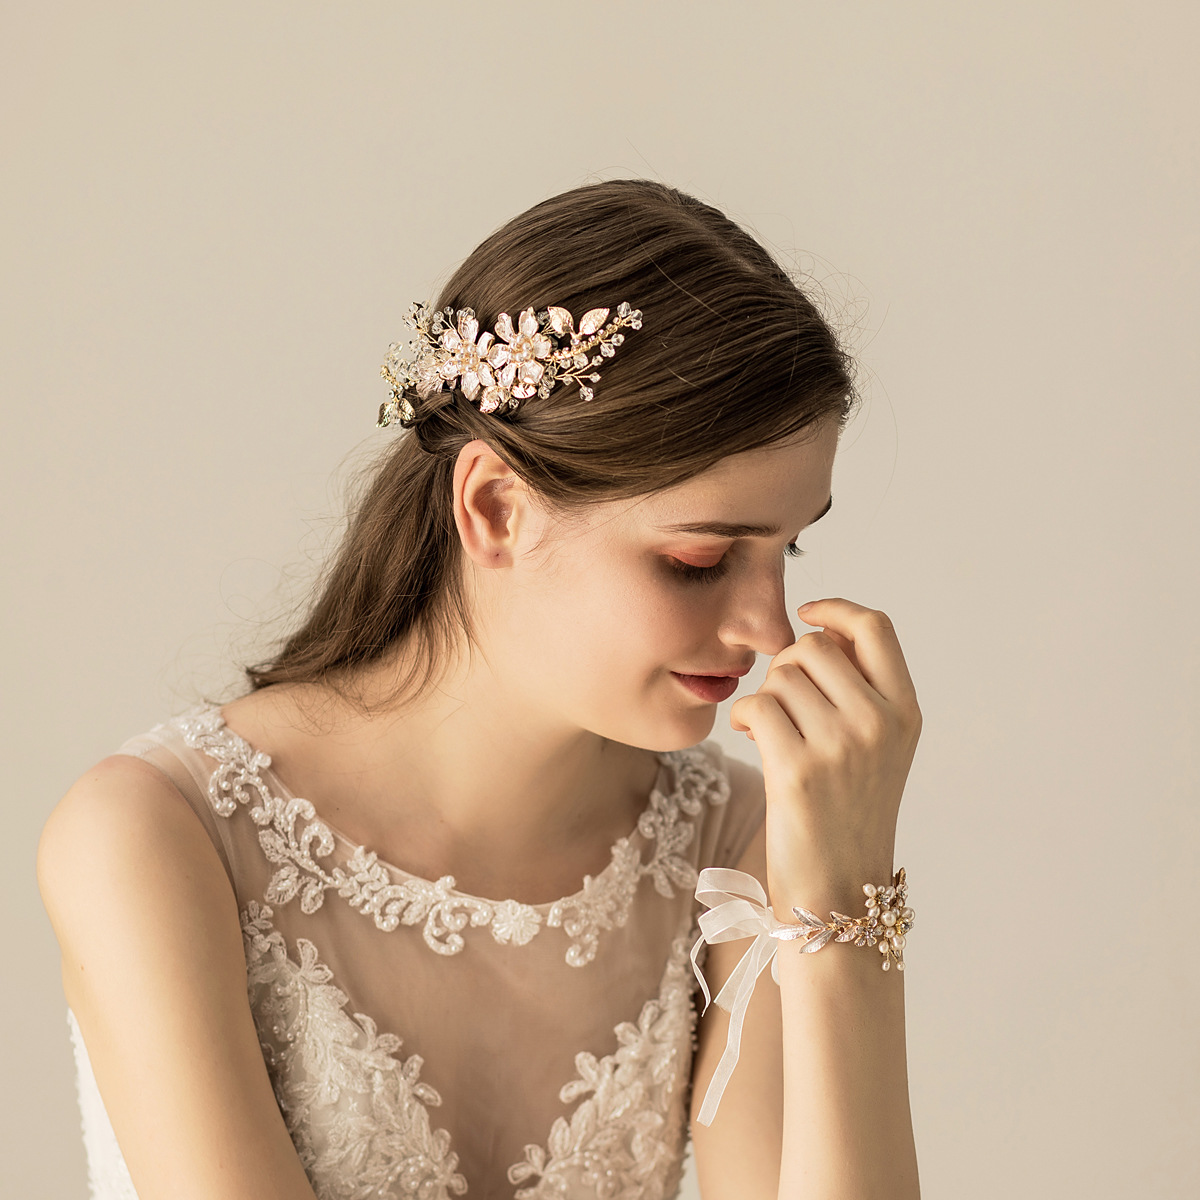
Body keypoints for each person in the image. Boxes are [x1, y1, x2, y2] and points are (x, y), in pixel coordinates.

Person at [37, 179, 923, 1200]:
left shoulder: (736, 844)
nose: (769, 628)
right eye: (698, 559)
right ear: (496, 508)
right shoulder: (161, 835)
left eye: (790, 548)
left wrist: (847, 911)